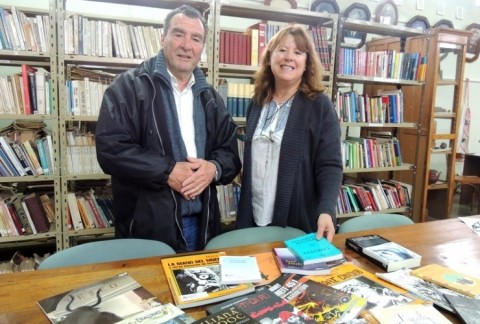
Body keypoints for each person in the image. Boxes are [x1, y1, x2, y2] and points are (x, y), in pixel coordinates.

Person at [95, 5, 241, 252]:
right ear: (163, 38)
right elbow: (111, 150)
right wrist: (167, 171)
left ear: (202, 48)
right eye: (179, 34)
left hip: (202, 225)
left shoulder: (210, 98)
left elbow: (230, 154)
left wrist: (213, 169)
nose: (187, 45)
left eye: (196, 38)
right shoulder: (127, 87)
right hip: (147, 229)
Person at [235, 25, 343, 242]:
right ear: (269, 58)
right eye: (282, 50)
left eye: (298, 52)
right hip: (254, 215)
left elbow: (330, 165)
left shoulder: (319, 105)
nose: (289, 58)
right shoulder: (258, 102)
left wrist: (326, 209)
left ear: (307, 63)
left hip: (296, 219)